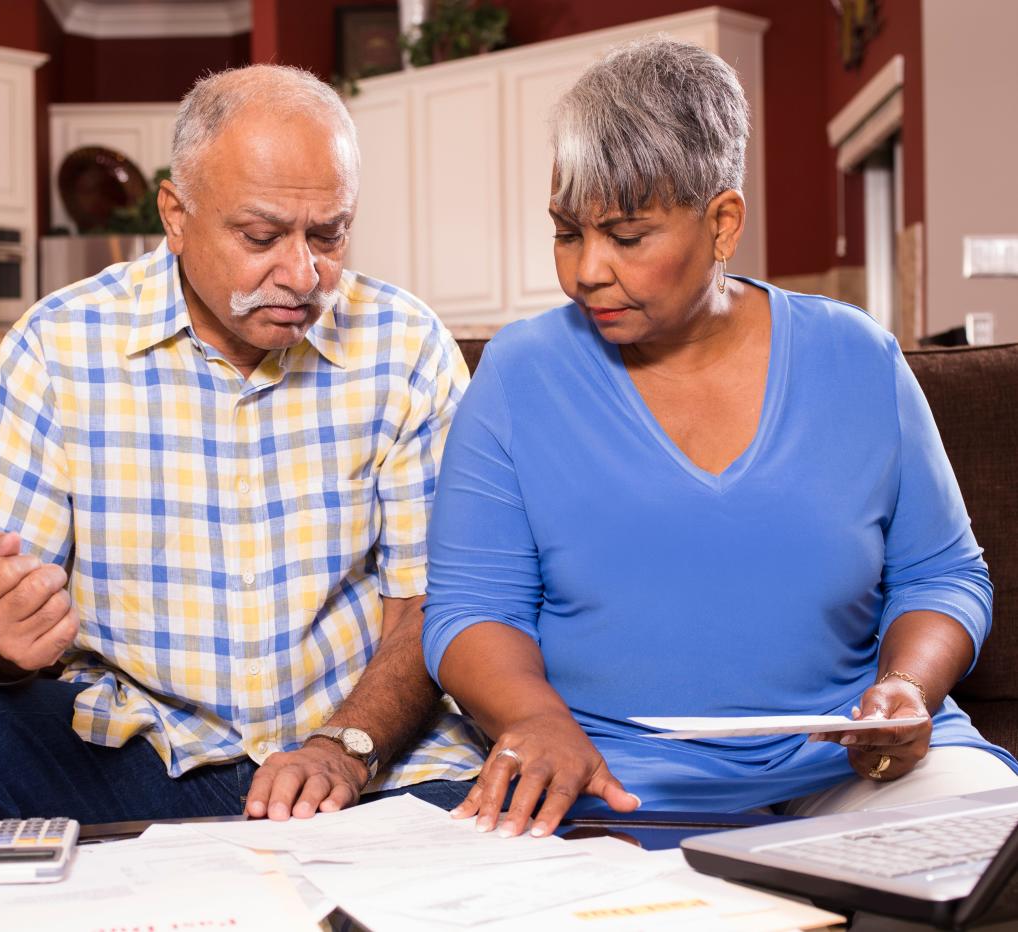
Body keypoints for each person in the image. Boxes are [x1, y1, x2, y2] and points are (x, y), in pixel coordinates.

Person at [0, 64, 485, 856]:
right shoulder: (58, 346)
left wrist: (344, 747)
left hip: (364, 763)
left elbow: (427, 608)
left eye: (329, 234)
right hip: (133, 755)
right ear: (175, 214)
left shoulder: (407, 347)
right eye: (261, 235)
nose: (303, 275)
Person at [421, 38, 1018, 840]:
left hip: (856, 758)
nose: (587, 269)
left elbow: (942, 574)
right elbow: (470, 611)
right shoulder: (519, 375)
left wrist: (905, 688)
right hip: (618, 770)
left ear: (722, 222)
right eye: (568, 233)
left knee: (985, 853)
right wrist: (536, 721)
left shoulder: (858, 358)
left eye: (628, 237)